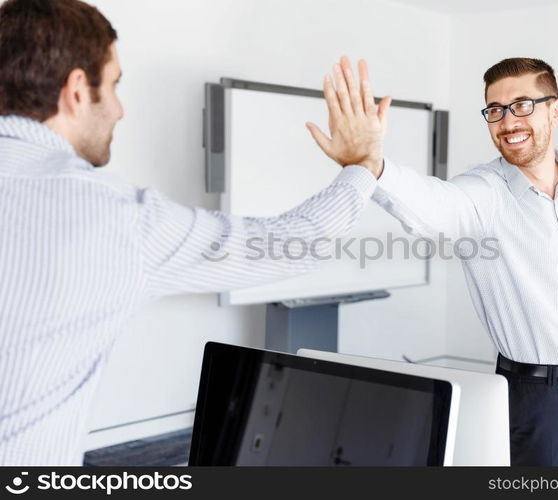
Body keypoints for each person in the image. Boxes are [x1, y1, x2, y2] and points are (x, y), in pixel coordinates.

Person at [0, 0, 388, 465]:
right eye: (116, 84)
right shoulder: (111, 215)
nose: (120, 110)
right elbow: (291, 244)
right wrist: (363, 165)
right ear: (78, 90)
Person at [307, 56, 558, 466]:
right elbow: (430, 204)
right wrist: (370, 165)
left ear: (556, 110)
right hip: (539, 399)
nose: (507, 121)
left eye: (522, 105)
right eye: (495, 110)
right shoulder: (483, 194)